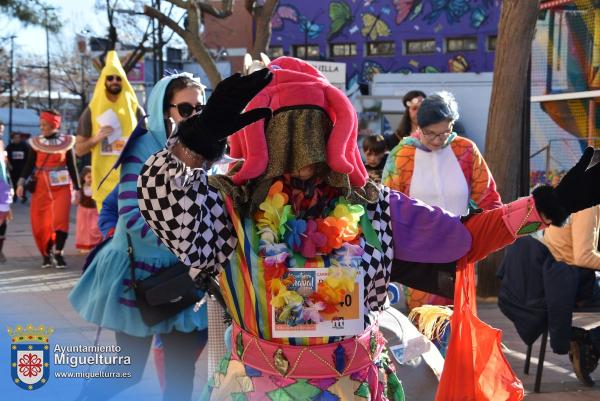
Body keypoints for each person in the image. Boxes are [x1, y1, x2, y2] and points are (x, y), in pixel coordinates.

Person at [135, 57, 600, 400]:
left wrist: (551, 205)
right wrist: (197, 140)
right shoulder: (226, 206)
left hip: (353, 387)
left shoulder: (371, 205)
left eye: (312, 130)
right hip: (255, 389)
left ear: (334, 131)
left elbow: (463, 239)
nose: (300, 150)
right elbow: (158, 198)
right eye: (284, 132)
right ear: (259, 136)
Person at [69, 73, 209, 401]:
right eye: (186, 109)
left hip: (182, 276)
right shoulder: (142, 147)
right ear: (164, 109)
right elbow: (132, 214)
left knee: (180, 375)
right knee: (128, 370)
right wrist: (191, 242)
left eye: (201, 108)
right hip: (138, 274)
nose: (195, 116)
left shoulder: (201, 149)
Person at [382, 91, 502, 311]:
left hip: (461, 252)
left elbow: (489, 199)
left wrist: (486, 236)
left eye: (445, 133)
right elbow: (387, 207)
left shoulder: (466, 150)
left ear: (453, 125)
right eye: (430, 134)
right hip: (419, 257)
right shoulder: (401, 156)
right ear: (418, 126)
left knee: (460, 323)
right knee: (424, 326)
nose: (438, 140)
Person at [74, 50, 143, 209]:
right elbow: (79, 150)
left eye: (118, 78)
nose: (114, 81)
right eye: (110, 78)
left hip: (131, 182)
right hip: (104, 184)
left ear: (123, 81)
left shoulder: (136, 110)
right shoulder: (90, 111)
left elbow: (149, 141)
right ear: (103, 81)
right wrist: (95, 138)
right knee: (109, 232)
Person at [544, 205, 600, 386]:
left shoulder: (576, 197)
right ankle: (589, 342)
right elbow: (584, 257)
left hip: (560, 280)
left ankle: (589, 341)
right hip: (571, 285)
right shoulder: (588, 206)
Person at [16, 110, 79, 268]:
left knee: (61, 220)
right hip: (41, 188)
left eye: (45, 124)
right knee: (40, 223)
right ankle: (45, 252)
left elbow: (72, 166)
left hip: (62, 187)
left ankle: (58, 253)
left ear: (54, 124)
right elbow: (29, 165)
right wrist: (20, 183)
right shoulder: (36, 142)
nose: (42, 127)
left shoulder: (67, 142)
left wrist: (78, 189)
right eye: (41, 124)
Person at [74, 166, 102, 252]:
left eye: (92, 177)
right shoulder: (81, 189)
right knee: (83, 230)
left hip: (94, 211)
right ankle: (85, 246)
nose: (91, 179)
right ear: (84, 177)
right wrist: (76, 197)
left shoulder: (96, 188)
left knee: (95, 228)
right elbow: (76, 202)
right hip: (83, 212)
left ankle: (96, 244)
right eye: (89, 177)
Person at [0, 124, 13, 263]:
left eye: (2, 131)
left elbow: (6, 170)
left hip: (3, 188)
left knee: (4, 218)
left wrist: (11, 186)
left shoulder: (2, 147)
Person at [6, 132, 31, 202]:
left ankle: (23, 196)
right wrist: (9, 165)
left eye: (18, 137)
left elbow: (29, 157)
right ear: (12, 139)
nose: (17, 139)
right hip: (13, 169)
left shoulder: (25, 146)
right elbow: (6, 156)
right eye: (15, 138)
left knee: (23, 183)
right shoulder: (10, 147)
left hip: (23, 168)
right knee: (14, 183)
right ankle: (14, 196)